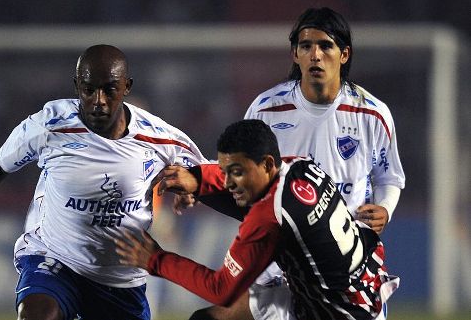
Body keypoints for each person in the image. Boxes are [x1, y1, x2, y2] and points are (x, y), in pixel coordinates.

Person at [0, 44, 207, 320]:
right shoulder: (50, 124)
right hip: (55, 258)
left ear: (126, 86)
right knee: (37, 314)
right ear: (76, 86)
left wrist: (193, 184)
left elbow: (209, 175)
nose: (99, 100)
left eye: (109, 89)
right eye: (88, 89)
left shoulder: (162, 138)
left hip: (120, 278)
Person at [174, 7, 405, 320]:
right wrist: (197, 184)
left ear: (344, 54)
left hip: (345, 273)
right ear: (295, 55)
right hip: (280, 264)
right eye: (306, 46)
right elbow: (238, 172)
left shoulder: (372, 114)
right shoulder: (268, 109)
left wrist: (386, 208)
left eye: (325, 46)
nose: (315, 55)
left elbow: (389, 177)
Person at [116, 119, 399, 320]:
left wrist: (155, 259)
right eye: (225, 171)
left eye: (237, 171)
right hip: (354, 289)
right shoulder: (301, 166)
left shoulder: (269, 217)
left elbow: (221, 289)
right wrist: (199, 180)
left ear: (266, 164)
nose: (228, 182)